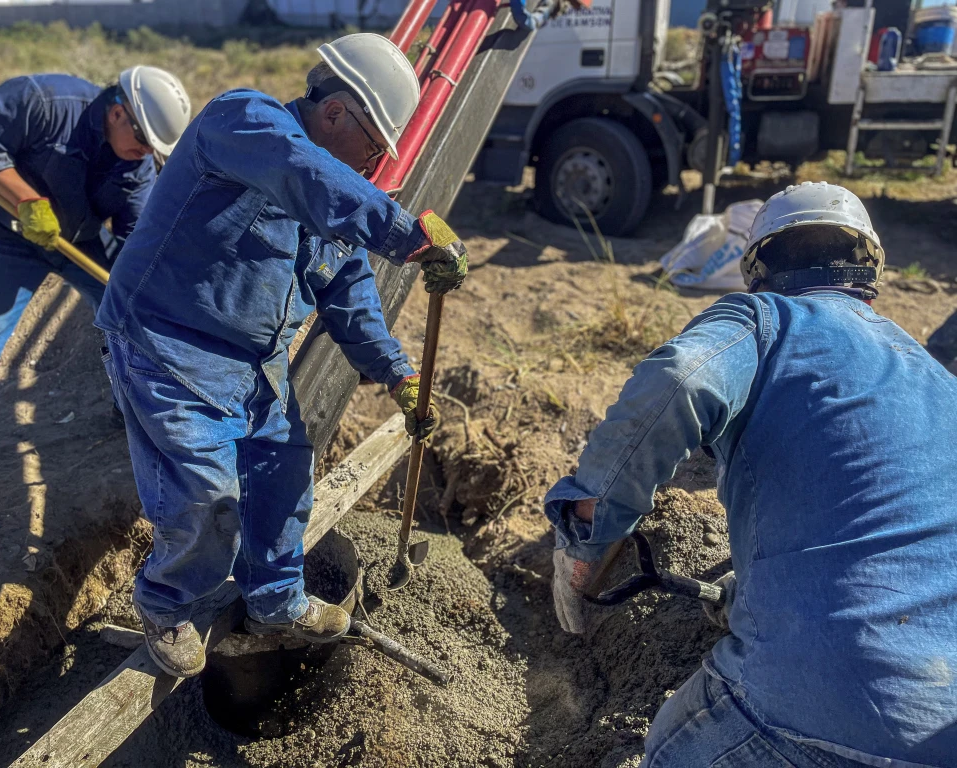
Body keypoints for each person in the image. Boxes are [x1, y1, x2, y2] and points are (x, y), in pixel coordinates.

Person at [95, 33, 469, 679]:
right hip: (166, 342)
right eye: (376, 145)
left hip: (253, 363)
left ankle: (276, 601)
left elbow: (351, 300)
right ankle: (164, 602)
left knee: (283, 478)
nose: (378, 164)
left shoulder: (334, 195)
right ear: (335, 113)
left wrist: (400, 374)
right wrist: (408, 236)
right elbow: (302, 173)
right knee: (208, 494)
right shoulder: (244, 120)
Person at [545, 182, 957, 768]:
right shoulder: (936, 378)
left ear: (758, 265)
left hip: (830, 700)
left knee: (671, 741)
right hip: (945, 728)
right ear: (870, 269)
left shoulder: (767, 320)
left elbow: (683, 379)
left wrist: (586, 533)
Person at [0, 67, 191, 493]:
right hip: (0, 233)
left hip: (78, 238)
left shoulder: (137, 166)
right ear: (117, 113)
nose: (146, 152)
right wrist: (27, 201)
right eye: (144, 139)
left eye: (154, 147)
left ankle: (130, 409)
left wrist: (142, 287)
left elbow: (134, 240)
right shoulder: (41, 101)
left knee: (126, 308)